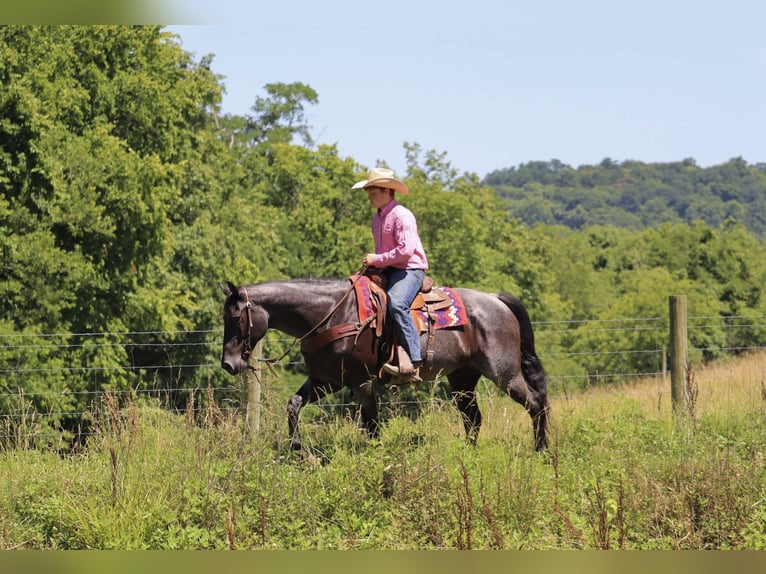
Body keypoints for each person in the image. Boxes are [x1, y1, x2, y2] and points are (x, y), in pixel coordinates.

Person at [353, 167, 429, 382]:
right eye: (368, 193)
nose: (369, 197)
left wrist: (377, 259)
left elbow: (406, 250)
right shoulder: (377, 219)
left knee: (396, 303)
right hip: (389, 269)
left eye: (373, 193)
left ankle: (415, 359)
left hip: (409, 270)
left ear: (387, 191)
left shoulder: (402, 216)